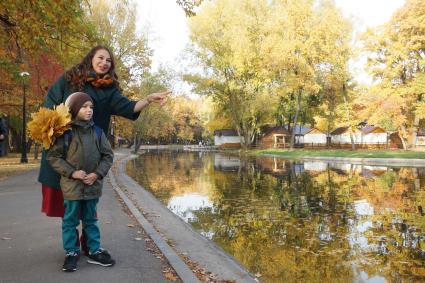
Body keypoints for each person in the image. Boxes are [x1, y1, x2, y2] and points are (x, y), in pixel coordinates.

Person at [38, 45, 170, 252]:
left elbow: (129, 107)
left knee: (89, 203)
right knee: (69, 204)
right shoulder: (69, 78)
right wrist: (56, 130)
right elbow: (49, 105)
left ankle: (90, 247)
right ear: (91, 58)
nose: (104, 63)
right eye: (100, 58)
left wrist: (148, 100)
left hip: (90, 154)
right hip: (65, 150)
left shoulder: (109, 89)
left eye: (108, 60)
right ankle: (71, 249)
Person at [47, 92, 114, 272]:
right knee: (70, 221)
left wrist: (97, 174)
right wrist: (72, 172)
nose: (89, 110)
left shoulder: (98, 133)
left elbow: (108, 156)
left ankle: (94, 250)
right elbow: (53, 157)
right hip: (72, 187)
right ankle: (71, 252)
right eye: (84, 107)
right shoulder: (65, 133)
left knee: (91, 220)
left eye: (91, 107)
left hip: (92, 186)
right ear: (74, 109)